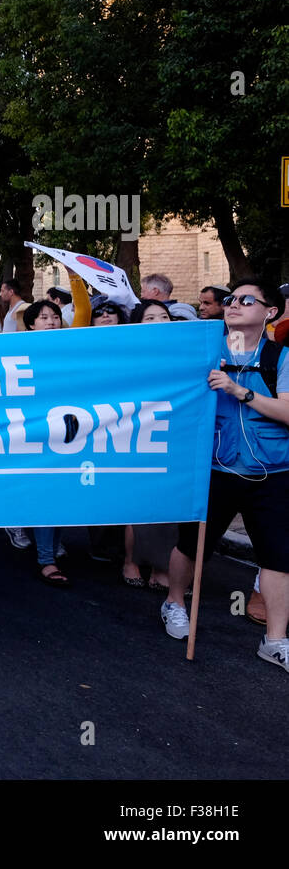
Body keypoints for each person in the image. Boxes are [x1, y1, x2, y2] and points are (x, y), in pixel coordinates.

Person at [162, 279, 289, 674]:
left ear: (269, 312)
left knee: (279, 558)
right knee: (192, 544)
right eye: (231, 299)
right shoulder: (205, 351)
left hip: (272, 473)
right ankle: (175, 603)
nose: (234, 304)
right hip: (214, 469)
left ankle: (276, 639)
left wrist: (240, 391)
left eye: (247, 300)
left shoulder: (281, 358)